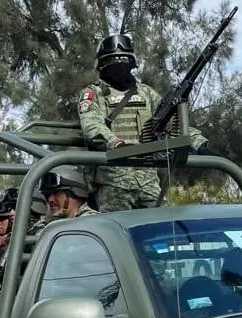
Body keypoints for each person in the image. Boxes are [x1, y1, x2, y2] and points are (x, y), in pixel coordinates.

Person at [77, 33, 208, 212]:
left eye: (123, 62)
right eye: (112, 62)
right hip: (114, 181)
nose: (118, 67)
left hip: (148, 181)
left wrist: (200, 143)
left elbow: (171, 123)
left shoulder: (146, 93)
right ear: (102, 65)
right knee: (117, 233)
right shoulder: (93, 93)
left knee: (162, 230)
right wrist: (116, 143)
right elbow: (92, 125)